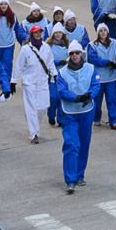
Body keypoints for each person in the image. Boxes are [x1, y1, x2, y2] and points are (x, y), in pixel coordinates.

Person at [53, 44, 98, 194]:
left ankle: (80, 174)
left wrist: (90, 95)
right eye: (72, 53)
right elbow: (62, 91)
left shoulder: (91, 69)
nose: (75, 56)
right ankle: (70, 180)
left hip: (86, 111)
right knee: (72, 144)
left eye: (77, 53)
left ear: (82, 54)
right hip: (69, 113)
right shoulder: (62, 73)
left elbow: (96, 85)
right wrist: (76, 98)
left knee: (84, 143)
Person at [11, 27, 54, 144]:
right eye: (35, 32)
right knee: (31, 108)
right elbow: (19, 66)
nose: (38, 34)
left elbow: (50, 63)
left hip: (43, 81)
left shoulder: (46, 48)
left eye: (40, 32)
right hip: (29, 83)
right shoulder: (25, 49)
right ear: (31, 34)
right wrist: (13, 81)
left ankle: (35, 124)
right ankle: (34, 133)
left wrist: (55, 77)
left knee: (43, 106)